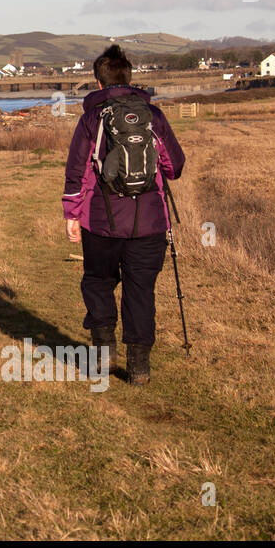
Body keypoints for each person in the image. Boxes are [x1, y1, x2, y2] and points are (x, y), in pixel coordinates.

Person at [62, 45, 184, 385]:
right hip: (150, 223)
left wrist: (72, 214)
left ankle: (102, 357)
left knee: (99, 283)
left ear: (99, 82)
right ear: (129, 78)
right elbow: (175, 167)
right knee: (140, 290)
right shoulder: (152, 116)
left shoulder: (91, 119)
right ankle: (139, 369)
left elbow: (75, 172)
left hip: (100, 223)